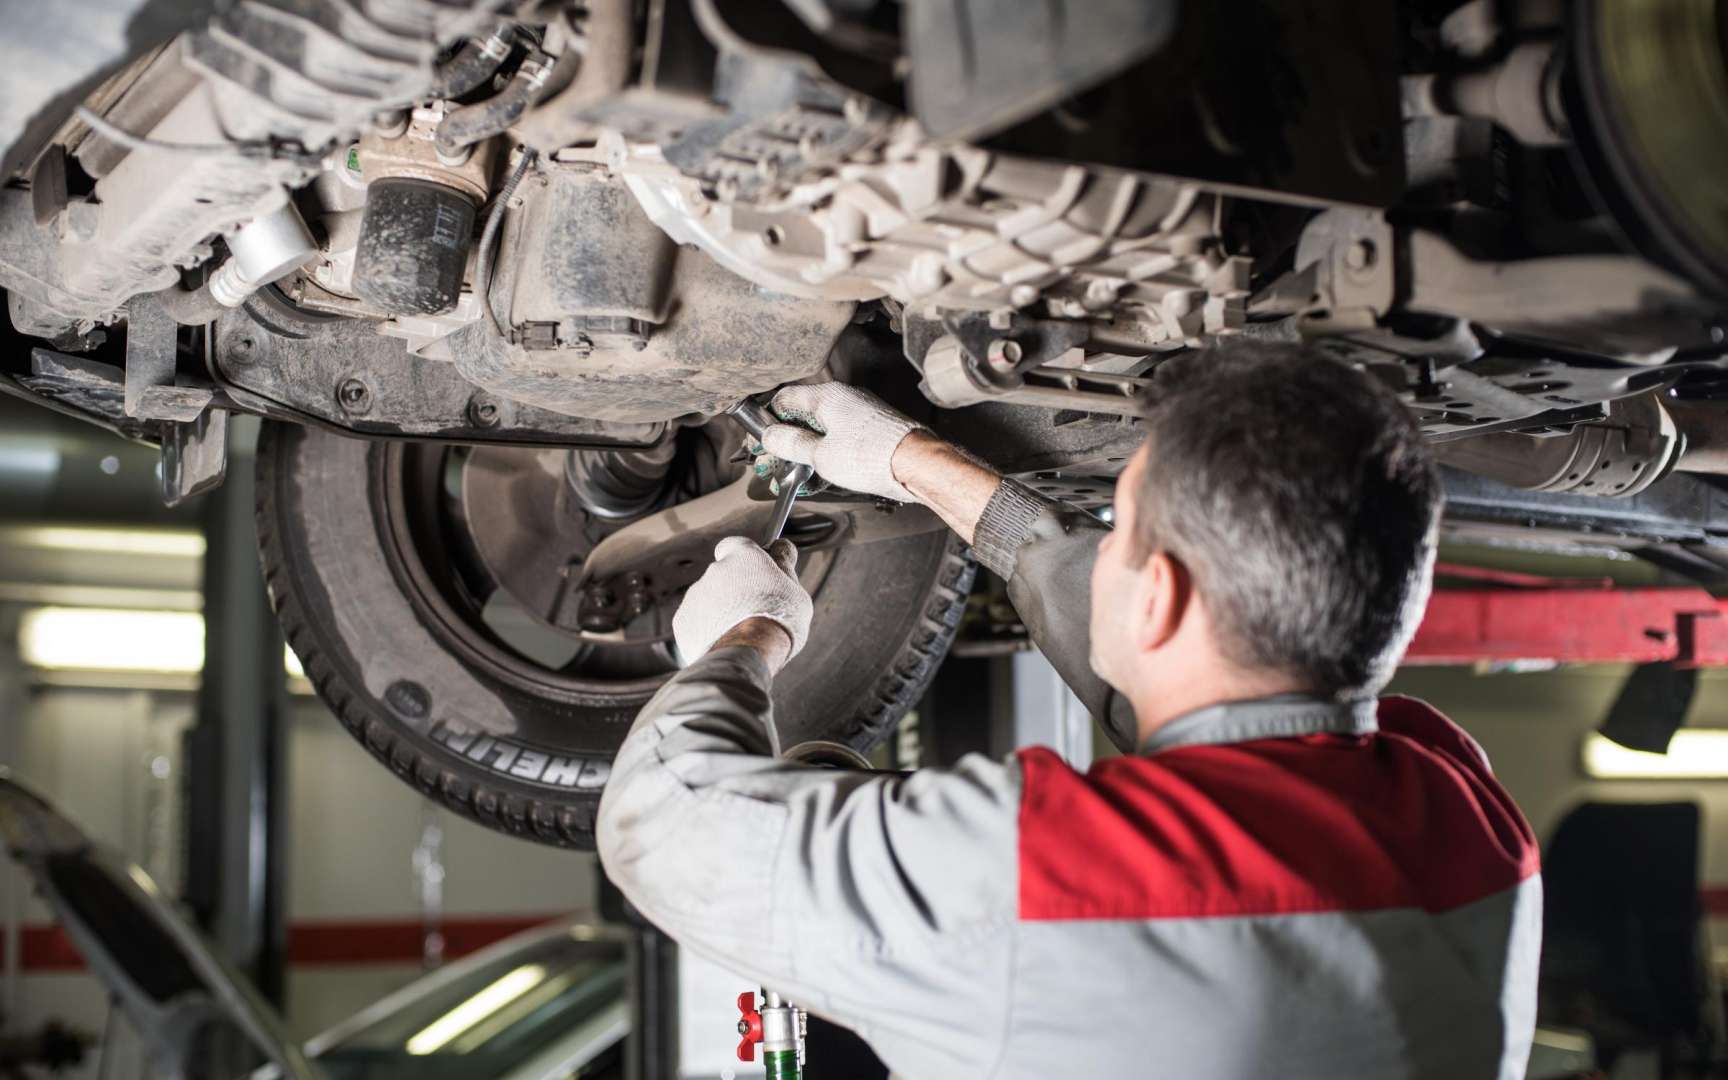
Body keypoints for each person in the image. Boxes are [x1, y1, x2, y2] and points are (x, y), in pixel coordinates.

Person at [596, 344, 1542, 1079]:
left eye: (1120, 532)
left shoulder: (1060, 870)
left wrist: (746, 635)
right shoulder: (1464, 813)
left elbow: (665, 819)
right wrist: (912, 461)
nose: (1107, 551)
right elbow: (1221, 714)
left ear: (1160, 599)